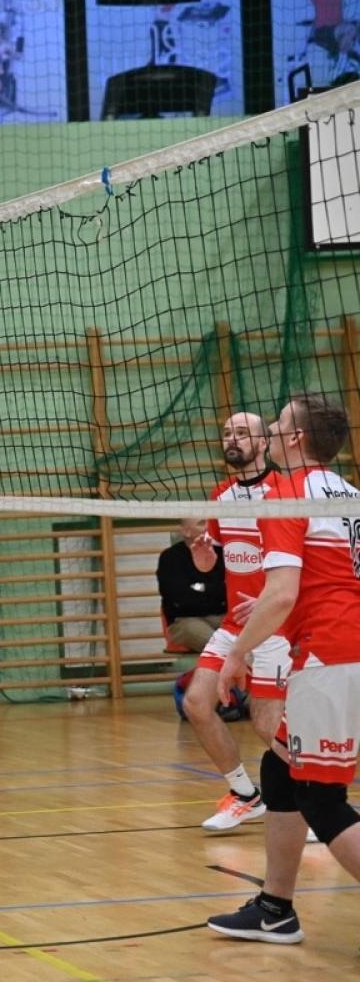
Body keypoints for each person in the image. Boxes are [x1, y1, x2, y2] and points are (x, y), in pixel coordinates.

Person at [207, 393, 360, 943]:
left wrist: (236, 652)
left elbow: (281, 593)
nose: (268, 432)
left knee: (322, 797)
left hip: (331, 655)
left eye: (276, 425)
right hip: (343, 650)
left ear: (295, 440)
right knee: (281, 770)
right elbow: (328, 579)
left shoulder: (287, 493)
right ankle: (276, 907)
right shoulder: (350, 494)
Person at [174, 413, 297, 831]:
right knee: (196, 703)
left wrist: (264, 603)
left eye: (243, 433)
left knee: (267, 724)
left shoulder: (286, 494)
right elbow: (212, 561)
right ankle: (246, 794)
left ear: (264, 444)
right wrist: (201, 551)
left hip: (275, 625)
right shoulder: (221, 496)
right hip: (233, 624)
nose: (232, 439)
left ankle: (316, 805)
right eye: (227, 432)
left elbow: (300, 568)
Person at [155, 518, 226, 654]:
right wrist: (212, 591)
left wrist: (199, 588)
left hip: (220, 616)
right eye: (202, 523)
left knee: (250, 639)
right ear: (186, 531)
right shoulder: (170, 558)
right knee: (219, 646)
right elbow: (179, 598)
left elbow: (228, 591)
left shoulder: (222, 553)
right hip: (184, 621)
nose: (208, 527)